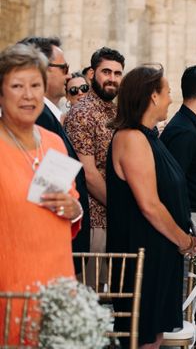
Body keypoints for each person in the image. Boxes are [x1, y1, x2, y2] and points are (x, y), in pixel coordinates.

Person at [106, 65, 196, 348]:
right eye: (168, 93)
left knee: (155, 335)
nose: (171, 99)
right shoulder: (131, 138)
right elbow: (149, 204)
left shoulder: (149, 137)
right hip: (142, 251)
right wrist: (183, 239)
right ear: (153, 97)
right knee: (142, 335)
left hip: (158, 251)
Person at [0, 44, 82, 345]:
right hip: (10, 290)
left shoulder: (53, 142)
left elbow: (72, 203)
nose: (28, 95)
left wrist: (74, 208)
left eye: (35, 85)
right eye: (17, 86)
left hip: (58, 285)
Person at [159, 65, 196, 345]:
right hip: (191, 217)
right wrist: (188, 228)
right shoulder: (183, 130)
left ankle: (193, 334)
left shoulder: (191, 126)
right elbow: (175, 184)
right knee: (190, 286)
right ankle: (184, 338)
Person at [20, 37, 91, 257]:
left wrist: (75, 209)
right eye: (64, 68)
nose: (69, 75)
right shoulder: (39, 119)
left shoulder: (49, 123)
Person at [65, 47, 125, 284]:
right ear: (92, 74)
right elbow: (87, 173)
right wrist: (120, 207)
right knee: (91, 292)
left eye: (117, 73)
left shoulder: (117, 110)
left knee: (111, 292)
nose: (112, 78)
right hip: (95, 217)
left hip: (115, 218)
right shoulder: (82, 113)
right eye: (106, 72)